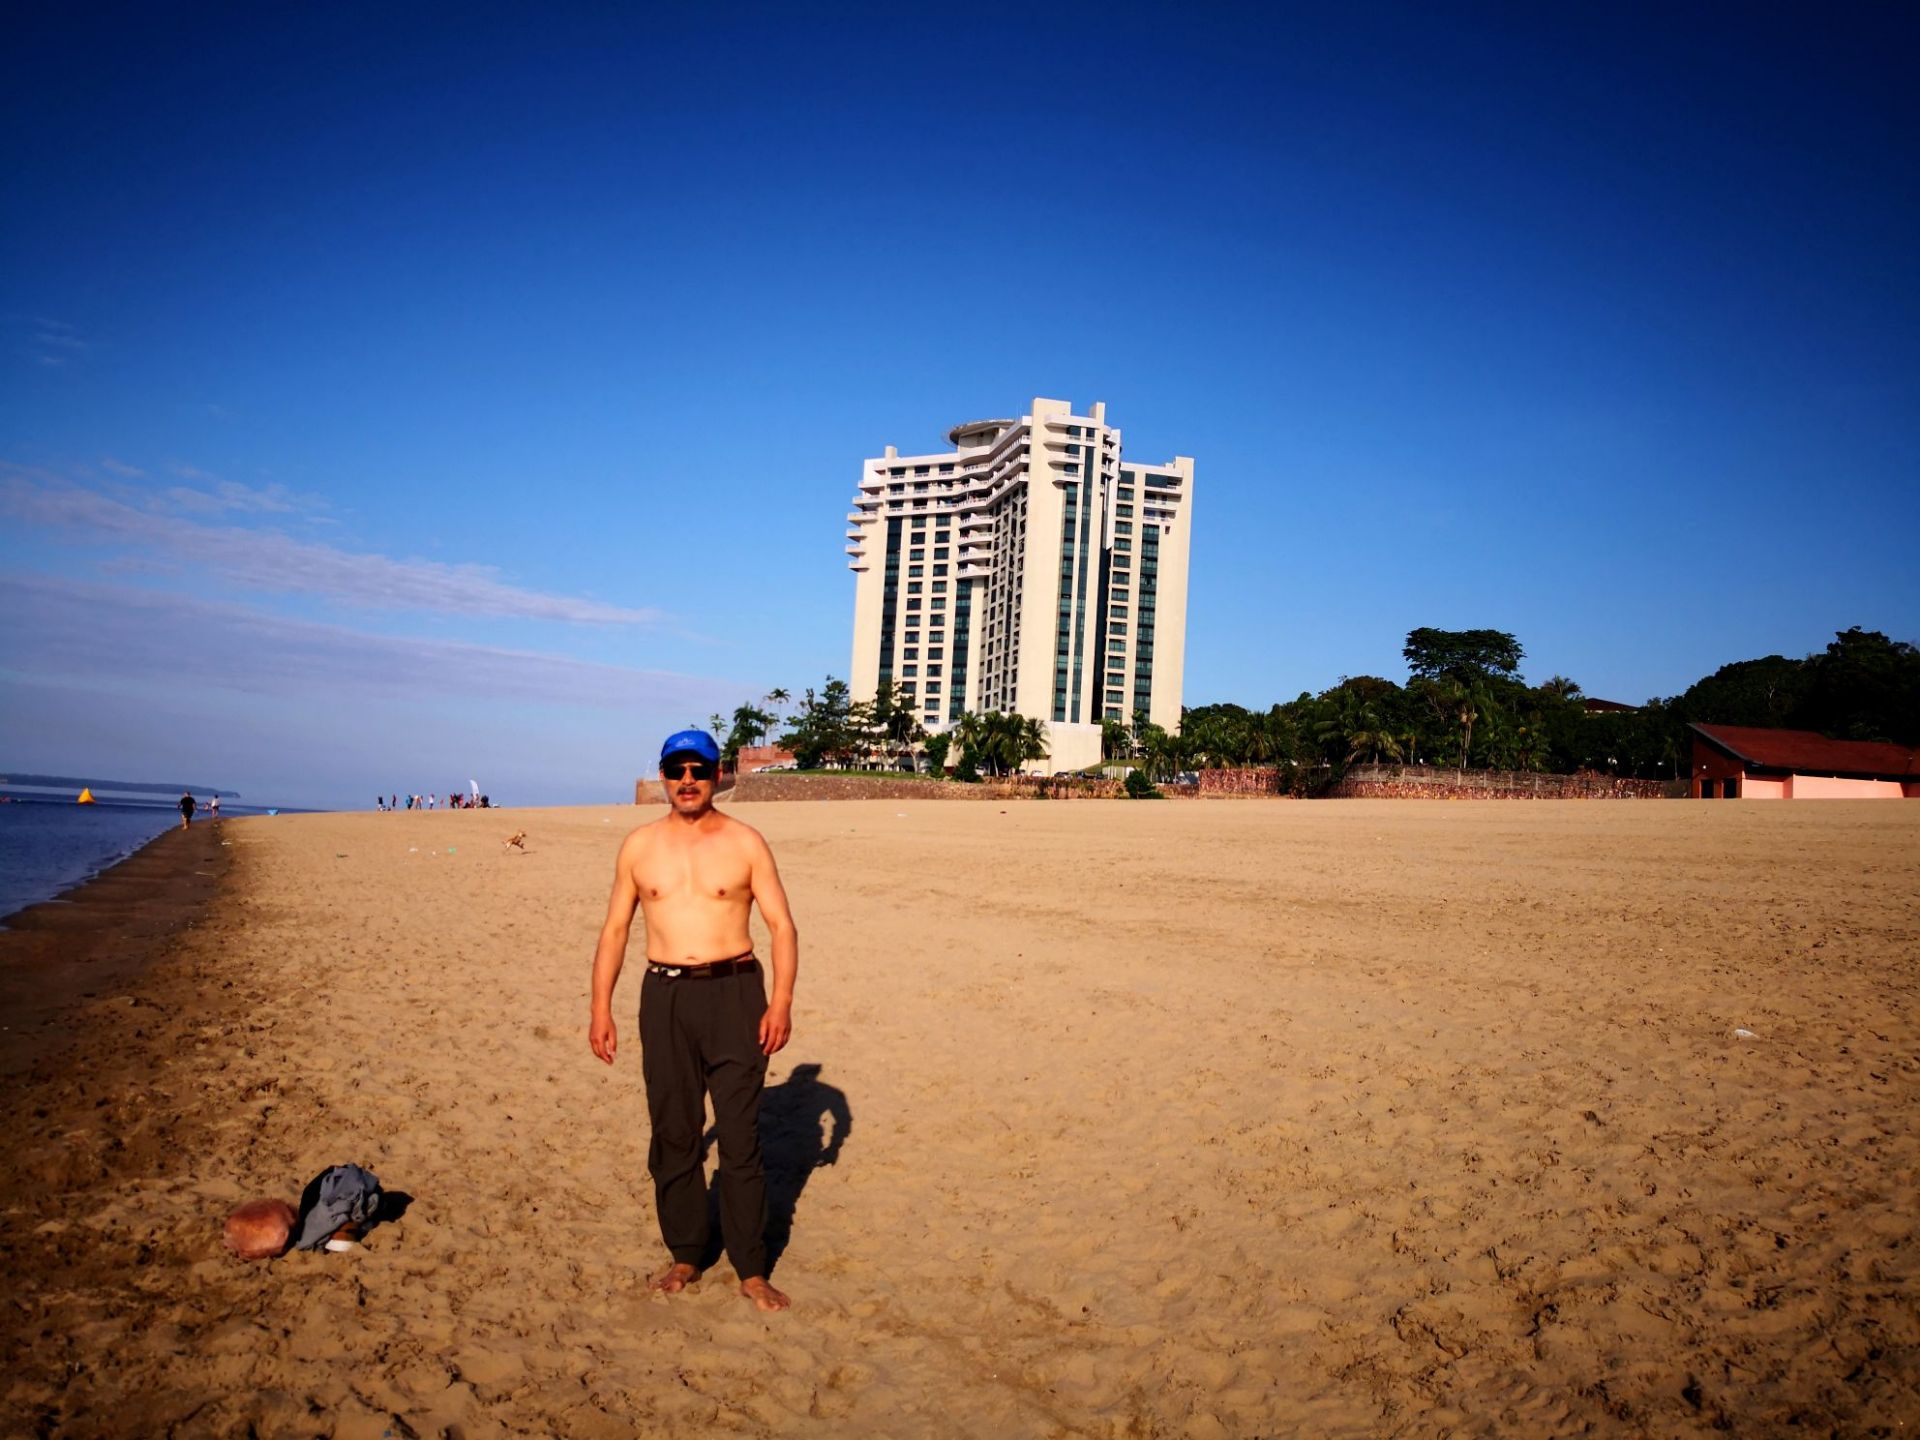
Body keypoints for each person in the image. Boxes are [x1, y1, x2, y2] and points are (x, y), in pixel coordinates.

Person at [589, 729, 798, 1312]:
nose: (687, 781)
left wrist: (780, 1002)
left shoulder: (746, 842)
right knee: (674, 1131)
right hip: (665, 998)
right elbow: (614, 932)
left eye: (698, 771)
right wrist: (599, 1008)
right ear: (663, 776)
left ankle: (751, 1267)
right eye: (676, 770)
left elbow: (782, 926)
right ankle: (686, 1252)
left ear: (717, 775)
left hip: (735, 994)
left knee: (739, 1137)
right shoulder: (638, 847)